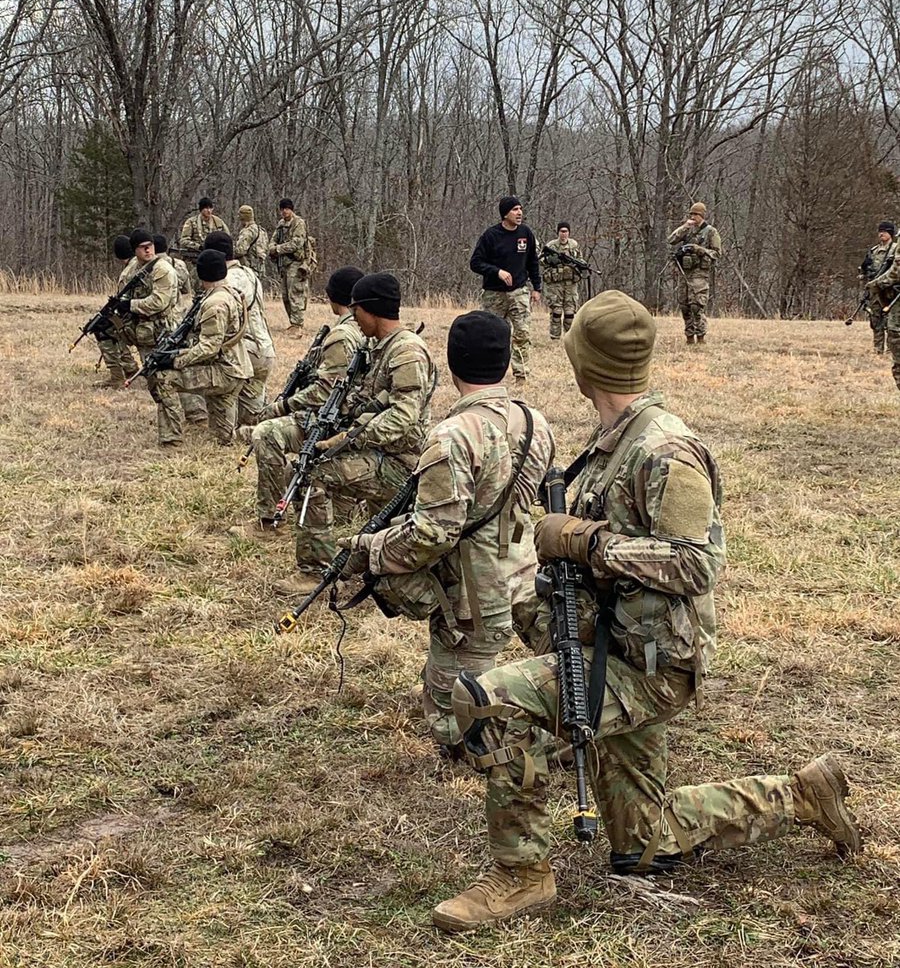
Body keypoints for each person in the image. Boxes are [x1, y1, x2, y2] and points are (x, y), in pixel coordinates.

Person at [431, 290, 861, 932]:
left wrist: (588, 542)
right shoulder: (615, 438)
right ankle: (801, 794)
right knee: (642, 841)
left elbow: (694, 564)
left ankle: (521, 875)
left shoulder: (665, 449)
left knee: (487, 700)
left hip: (654, 664)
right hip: (620, 641)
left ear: (583, 365)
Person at [341, 310, 554, 755]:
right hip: (523, 572)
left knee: (453, 728)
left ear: (452, 364)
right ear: (508, 359)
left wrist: (372, 550)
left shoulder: (452, 435)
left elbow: (433, 533)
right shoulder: (535, 422)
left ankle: (539, 745)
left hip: (471, 598)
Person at [292, 272, 436, 595]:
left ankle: (315, 572)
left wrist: (348, 439)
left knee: (314, 474)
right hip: (383, 454)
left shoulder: (406, 353)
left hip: (401, 463)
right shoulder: (380, 348)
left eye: (357, 311)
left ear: (371, 310)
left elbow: (403, 418)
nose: (353, 318)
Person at [229, 267, 367, 541]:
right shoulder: (363, 331)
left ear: (332, 298)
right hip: (352, 420)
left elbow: (327, 391)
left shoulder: (342, 336)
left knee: (266, 434)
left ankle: (268, 522)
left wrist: (283, 407)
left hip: (333, 421)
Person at [154, 249, 252, 445]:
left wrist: (176, 360)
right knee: (223, 438)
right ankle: (257, 433)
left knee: (163, 379)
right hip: (237, 368)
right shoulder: (230, 293)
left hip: (223, 372)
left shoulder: (215, 303)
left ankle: (171, 439)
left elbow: (209, 347)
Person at [111, 229, 184, 447]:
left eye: (149, 245)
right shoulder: (132, 270)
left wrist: (130, 305)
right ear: (135, 250)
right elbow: (122, 292)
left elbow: (159, 302)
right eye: (143, 247)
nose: (148, 249)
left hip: (165, 332)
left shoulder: (163, 269)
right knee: (153, 382)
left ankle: (173, 436)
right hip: (143, 334)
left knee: (165, 382)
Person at [204, 231, 275, 425]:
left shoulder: (227, 281)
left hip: (245, 353)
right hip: (264, 350)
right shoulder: (249, 273)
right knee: (253, 418)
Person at [470, 196, 541, 388]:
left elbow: (533, 261)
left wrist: (537, 287)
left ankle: (521, 376)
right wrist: (497, 272)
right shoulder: (491, 236)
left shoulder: (526, 233)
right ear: (505, 214)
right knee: (492, 335)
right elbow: (475, 263)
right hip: (494, 295)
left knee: (522, 334)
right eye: (515, 210)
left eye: (521, 209)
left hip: (519, 292)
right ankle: (488, 375)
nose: (519, 213)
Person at [153, 233, 208, 427]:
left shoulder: (151, 267)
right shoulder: (180, 266)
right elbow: (187, 290)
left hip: (160, 322)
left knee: (167, 365)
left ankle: (181, 413)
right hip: (180, 318)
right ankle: (198, 412)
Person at [667, 202, 722, 345]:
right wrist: (685, 227)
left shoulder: (711, 232)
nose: (693, 217)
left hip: (699, 273)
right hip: (685, 272)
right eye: (691, 214)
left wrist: (700, 250)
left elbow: (717, 253)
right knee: (685, 305)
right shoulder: (687, 230)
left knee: (696, 305)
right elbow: (671, 240)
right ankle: (689, 337)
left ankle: (701, 336)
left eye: (695, 214)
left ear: (702, 215)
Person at [94, 234, 140, 388]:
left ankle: (117, 377)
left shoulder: (127, 272)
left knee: (103, 329)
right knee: (113, 326)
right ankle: (130, 368)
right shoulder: (140, 264)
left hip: (137, 318)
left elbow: (123, 303)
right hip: (142, 313)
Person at [269, 198, 315, 335]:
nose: (284, 211)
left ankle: (297, 324)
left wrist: (277, 249)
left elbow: (297, 243)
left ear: (291, 209)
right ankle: (292, 322)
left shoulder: (298, 223)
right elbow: (273, 239)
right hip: (285, 264)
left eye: (287, 209)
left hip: (296, 262)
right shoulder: (281, 224)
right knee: (285, 295)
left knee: (296, 293)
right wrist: (272, 247)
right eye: (282, 209)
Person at [540, 222, 587, 340]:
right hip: (555, 284)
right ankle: (555, 337)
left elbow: (580, 259)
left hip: (570, 283)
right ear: (558, 232)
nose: (564, 234)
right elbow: (540, 260)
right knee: (556, 311)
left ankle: (570, 337)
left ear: (569, 232)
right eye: (562, 231)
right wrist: (551, 260)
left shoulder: (574, 245)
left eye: (566, 231)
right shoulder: (551, 246)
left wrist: (582, 264)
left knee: (570, 312)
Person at [858, 221, 897, 354]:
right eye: (880, 231)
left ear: (890, 233)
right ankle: (877, 349)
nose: (881, 234)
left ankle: (891, 350)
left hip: (890, 290)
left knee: (891, 321)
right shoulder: (874, 251)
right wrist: (864, 269)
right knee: (875, 319)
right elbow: (864, 273)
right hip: (875, 289)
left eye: (885, 231)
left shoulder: (895, 250)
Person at [867, 238, 900, 392]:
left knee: (895, 335)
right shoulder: (874, 250)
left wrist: (877, 284)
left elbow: (896, 272)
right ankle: (879, 347)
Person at [234, 205, 269, 276]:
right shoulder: (262, 231)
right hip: (260, 269)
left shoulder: (248, 231)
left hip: (248, 269)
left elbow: (240, 251)